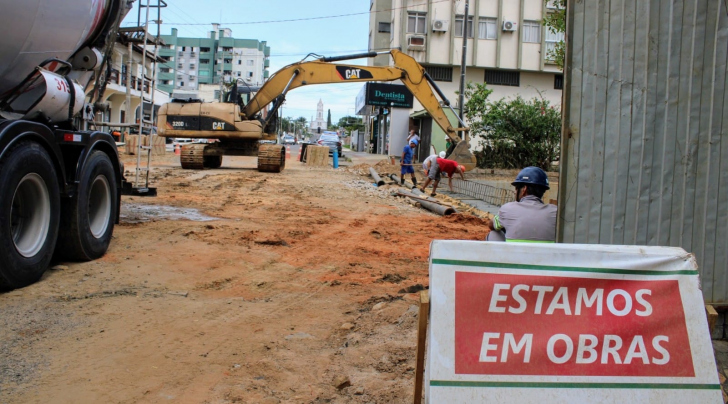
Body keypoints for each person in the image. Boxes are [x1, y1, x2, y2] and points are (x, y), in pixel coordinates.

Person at [485, 167, 557, 242]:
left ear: (524, 189)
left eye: (516, 188)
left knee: (493, 234)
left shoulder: (508, 208)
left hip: (514, 253)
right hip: (546, 253)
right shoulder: (555, 211)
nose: (515, 192)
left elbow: (491, 225)